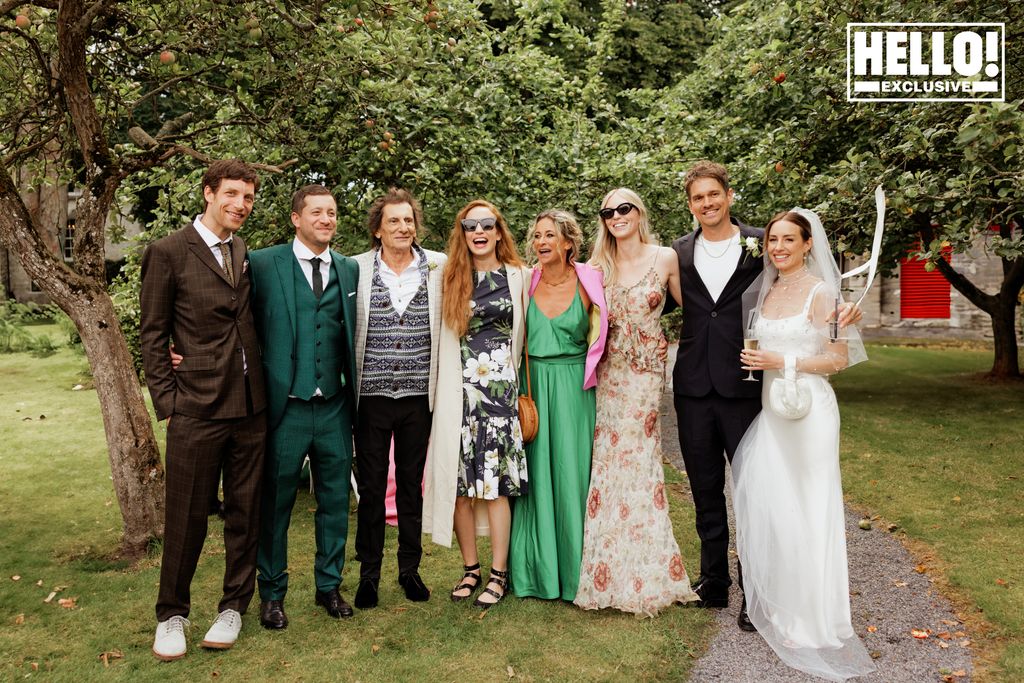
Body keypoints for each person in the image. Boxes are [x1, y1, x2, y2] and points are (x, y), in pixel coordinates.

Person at [669, 161, 860, 630]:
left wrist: (842, 313)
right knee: (704, 492)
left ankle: (757, 591)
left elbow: (805, 290)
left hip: (747, 388)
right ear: (690, 204)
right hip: (693, 386)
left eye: (714, 194)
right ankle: (712, 582)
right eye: (698, 197)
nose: (707, 203)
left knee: (756, 493)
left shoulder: (763, 243)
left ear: (728, 196)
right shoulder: (678, 251)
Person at [732, 209, 874, 681]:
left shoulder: (823, 292)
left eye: (788, 240)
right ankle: (784, 602)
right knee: (777, 503)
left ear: (808, 243)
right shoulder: (769, 289)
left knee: (811, 505)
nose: (778, 248)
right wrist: (768, 363)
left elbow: (836, 357)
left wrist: (779, 359)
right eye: (773, 240)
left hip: (810, 411)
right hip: (775, 408)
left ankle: (814, 616)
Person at [141, 159, 267, 660]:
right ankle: (171, 615)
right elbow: (152, 334)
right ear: (209, 193)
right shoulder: (168, 251)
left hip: (250, 407)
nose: (241, 205)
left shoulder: (242, 250)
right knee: (187, 517)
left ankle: (233, 606)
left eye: (249, 198)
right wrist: (169, 401)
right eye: (233, 194)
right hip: (194, 407)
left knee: (244, 513)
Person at [574, 188, 699, 616]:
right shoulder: (595, 266)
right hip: (609, 374)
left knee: (641, 460)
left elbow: (698, 308)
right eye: (608, 212)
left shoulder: (665, 257)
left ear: (639, 212)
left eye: (623, 208)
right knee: (609, 462)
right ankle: (606, 568)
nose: (616, 216)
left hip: (645, 373)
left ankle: (649, 569)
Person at [247, 185, 359, 627]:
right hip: (285, 407)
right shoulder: (262, 263)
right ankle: (271, 593)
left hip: (334, 404)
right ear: (296, 218)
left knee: (334, 501)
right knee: (274, 504)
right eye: (317, 212)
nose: (326, 219)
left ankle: (328, 586)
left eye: (332, 213)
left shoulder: (349, 269)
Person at [422, 199, 529, 608]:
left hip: (500, 398)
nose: (479, 231)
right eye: (471, 225)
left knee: (496, 487)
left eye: (488, 224)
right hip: (458, 396)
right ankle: (470, 568)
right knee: (461, 488)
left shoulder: (519, 276)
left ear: (499, 231)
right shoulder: (448, 277)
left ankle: (499, 573)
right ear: (462, 233)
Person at [351, 188, 446, 609]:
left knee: (411, 488)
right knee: (371, 490)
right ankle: (367, 576)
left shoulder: (439, 267)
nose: (403, 227)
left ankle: (410, 570)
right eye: (394, 221)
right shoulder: (354, 269)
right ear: (377, 228)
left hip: (418, 399)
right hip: (369, 398)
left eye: (408, 220)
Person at [508, 210, 608, 601]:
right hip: (533, 390)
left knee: (572, 474)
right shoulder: (523, 282)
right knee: (534, 477)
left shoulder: (590, 281)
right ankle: (536, 572)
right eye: (536, 236)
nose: (541, 242)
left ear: (568, 242)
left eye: (550, 235)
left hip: (574, 390)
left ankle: (577, 571)